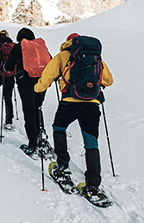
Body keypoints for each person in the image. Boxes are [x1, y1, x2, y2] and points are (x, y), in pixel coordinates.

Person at [34, 33, 114, 199]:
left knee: (59, 128)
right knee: (91, 142)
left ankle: (62, 166)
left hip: (70, 102)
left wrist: (38, 89)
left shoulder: (64, 55)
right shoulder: (96, 58)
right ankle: (92, 185)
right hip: (92, 104)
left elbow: (47, 76)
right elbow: (108, 80)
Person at [4, 28, 49, 153]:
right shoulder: (39, 46)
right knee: (38, 108)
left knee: (29, 112)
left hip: (26, 83)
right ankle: (42, 137)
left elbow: (8, 66)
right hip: (42, 82)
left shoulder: (19, 47)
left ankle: (33, 144)